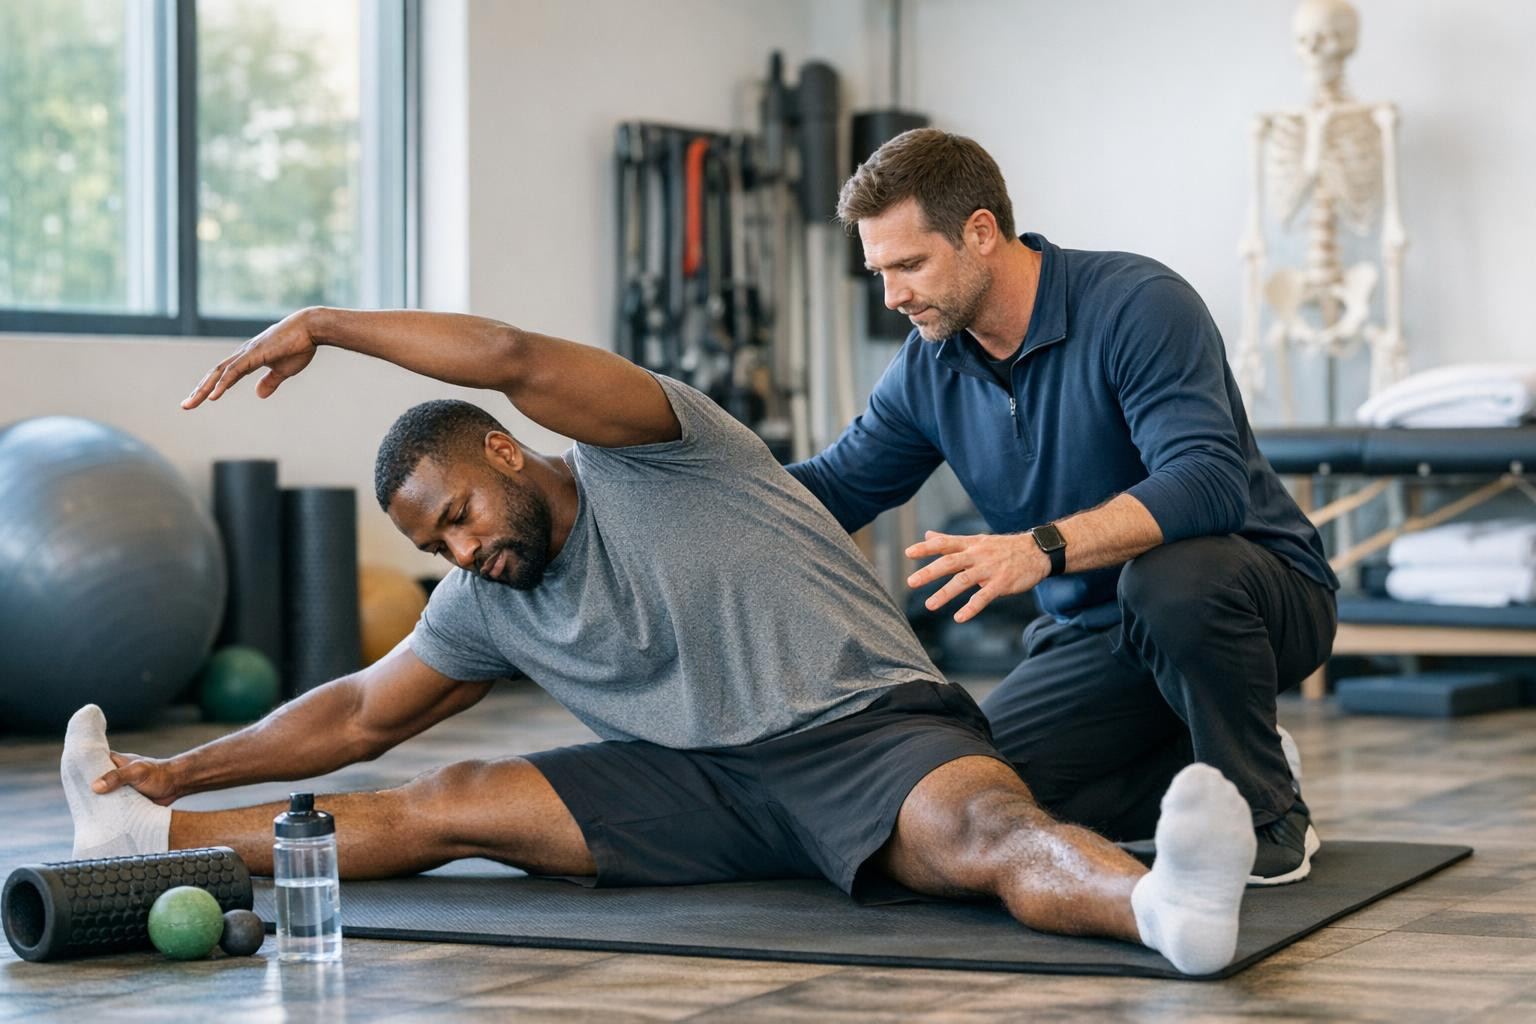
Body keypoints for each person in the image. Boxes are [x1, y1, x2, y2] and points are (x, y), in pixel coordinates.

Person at [60, 307, 1255, 974]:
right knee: (452, 795)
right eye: (437, 548)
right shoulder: (490, 598)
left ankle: (1165, 909)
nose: (462, 554)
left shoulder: (660, 450)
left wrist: (328, 324)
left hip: (866, 734)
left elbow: (519, 360)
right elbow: (359, 713)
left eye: (461, 517)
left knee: (992, 833)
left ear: (507, 453)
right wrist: (177, 769)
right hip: (694, 784)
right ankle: (146, 833)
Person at [786, 128, 1339, 885]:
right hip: (1093, 636)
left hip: (1251, 599)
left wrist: (1036, 548)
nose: (894, 296)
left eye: (910, 264)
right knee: (978, 799)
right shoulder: (929, 367)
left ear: (981, 232)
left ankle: (1265, 807)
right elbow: (835, 488)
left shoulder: (1139, 305)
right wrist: (687, 481)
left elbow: (1209, 481)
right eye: (880, 271)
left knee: (1170, 580)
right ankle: (1209, 758)